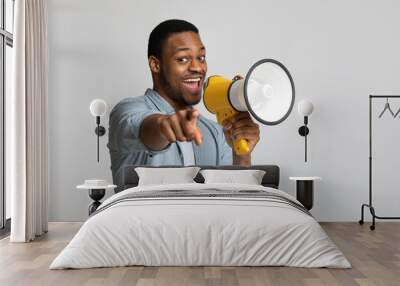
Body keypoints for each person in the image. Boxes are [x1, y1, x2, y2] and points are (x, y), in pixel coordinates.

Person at [108, 19, 260, 186]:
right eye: (182, 59)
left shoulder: (218, 133)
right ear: (155, 64)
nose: (197, 67)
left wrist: (242, 156)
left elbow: (232, 196)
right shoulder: (126, 110)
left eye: (201, 57)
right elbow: (143, 127)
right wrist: (165, 126)